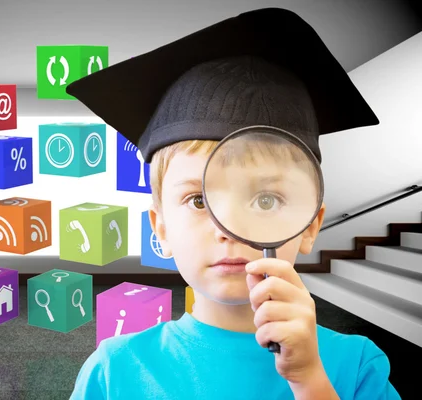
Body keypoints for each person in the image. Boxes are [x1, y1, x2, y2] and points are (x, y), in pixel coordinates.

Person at [64, 7, 401, 400]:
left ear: (310, 223)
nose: (227, 228)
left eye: (265, 198)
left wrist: (310, 380)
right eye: (197, 200)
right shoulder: (113, 372)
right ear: (161, 228)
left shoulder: (356, 366)